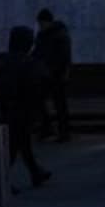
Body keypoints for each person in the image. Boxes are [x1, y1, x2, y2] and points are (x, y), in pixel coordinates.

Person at [0, 25, 52, 191]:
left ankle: (35, 172)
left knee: (23, 144)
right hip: (22, 110)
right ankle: (1, 182)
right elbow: (39, 84)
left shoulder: (3, 60)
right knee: (14, 147)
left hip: (8, 109)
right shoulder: (27, 62)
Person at [31, 8, 73, 142]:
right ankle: (47, 128)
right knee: (39, 100)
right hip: (45, 73)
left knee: (59, 104)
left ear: (48, 22)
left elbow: (65, 55)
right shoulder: (42, 35)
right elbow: (37, 52)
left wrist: (65, 71)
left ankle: (63, 131)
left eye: (42, 23)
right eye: (39, 23)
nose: (40, 25)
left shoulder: (60, 34)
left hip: (57, 74)